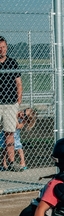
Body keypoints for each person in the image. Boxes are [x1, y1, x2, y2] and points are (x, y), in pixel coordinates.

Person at [0, 36, 23, 171]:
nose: (1, 50)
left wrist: (18, 102)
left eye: (3, 47)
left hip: (10, 103)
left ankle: (12, 162)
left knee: (10, 133)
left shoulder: (12, 63)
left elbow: (18, 83)